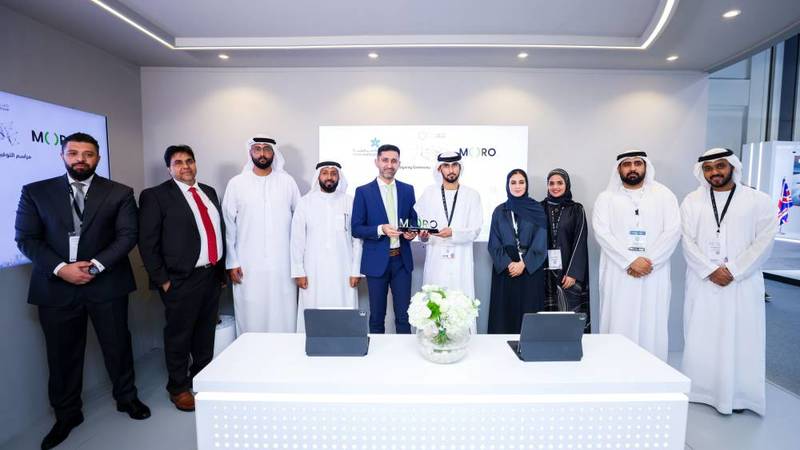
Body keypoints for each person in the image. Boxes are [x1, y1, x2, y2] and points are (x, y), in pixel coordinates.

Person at [14, 132, 150, 450]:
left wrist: (95, 267)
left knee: (118, 346)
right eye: (73, 153)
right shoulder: (35, 192)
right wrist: (62, 269)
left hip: (106, 283)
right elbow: (26, 238)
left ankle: (126, 398)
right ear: (62, 156)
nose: (80, 159)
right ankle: (67, 415)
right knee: (61, 355)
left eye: (88, 154)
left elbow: (128, 235)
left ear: (97, 158)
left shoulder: (119, 192)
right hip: (55, 287)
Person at [680, 148, 777, 415]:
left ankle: (739, 395)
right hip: (703, 281)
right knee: (702, 335)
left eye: (720, 166)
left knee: (741, 338)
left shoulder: (758, 200)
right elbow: (686, 240)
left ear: (733, 167)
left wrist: (734, 270)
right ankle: (701, 391)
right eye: (708, 168)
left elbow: (765, 240)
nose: (714, 172)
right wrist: (711, 270)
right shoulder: (692, 201)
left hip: (742, 283)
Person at [138, 145, 226, 412]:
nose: (185, 166)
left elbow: (216, 231)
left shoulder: (208, 191)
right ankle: (178, 388)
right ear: (169, 168)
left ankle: (201, 379)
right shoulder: (155, 196)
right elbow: (147, 242)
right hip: (180, 279)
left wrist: (220, 272)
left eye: (189, 161)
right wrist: (162, 280)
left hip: (211, 275)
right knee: (179, 336)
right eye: (178, 162)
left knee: (205, 333)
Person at [592, 151, 680, 361]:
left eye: (637, 163)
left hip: (653, 272)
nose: (632, 168)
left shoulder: (664, 195)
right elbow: (602, 233)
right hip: (619, 272)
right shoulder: (606, 198)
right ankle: (616, 369)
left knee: (651, 322)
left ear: (645, 166)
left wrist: (649, 262)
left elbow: (673, 231)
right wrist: (630, 261)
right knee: (619, 320)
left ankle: (652, 370)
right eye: (627, 164)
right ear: (619, 169)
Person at [222, 134, 300, 334]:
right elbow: (229, 226)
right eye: (257, 149)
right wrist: (232, 262)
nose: (262, 154)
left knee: (283, 311)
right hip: (247, 263)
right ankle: (250, 351)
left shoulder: (287, 182)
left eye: (267, 149)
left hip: (283, 263)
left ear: (274, 153)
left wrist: (298, 263)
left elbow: (300, 221)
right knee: (251, 311)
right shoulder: (236, 183)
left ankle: (283, 351)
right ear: (250, 152)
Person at [351, 144, 418, 333]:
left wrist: (411, 232)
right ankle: (375, 352)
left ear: (399, 164)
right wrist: (381, 229)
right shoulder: (363, 191)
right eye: (385, 160)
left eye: (394, 161)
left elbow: (413, 221)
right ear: (377, 162)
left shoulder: (408, 190)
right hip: (376, 262)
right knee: (377, 316)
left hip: (401, 261)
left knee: (404, 316)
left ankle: (404, 351)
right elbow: (356, 229)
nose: (389, 165)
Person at [290, 161, 363, 332]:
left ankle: (344, 343)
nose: (329, 177)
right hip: (312, 270)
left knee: (343, 309)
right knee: (314, 309)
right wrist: (299, 271)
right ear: (318, 177)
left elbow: (357, 240)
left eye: (333, 173)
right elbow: (297, 239)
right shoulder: (305, 202)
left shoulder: (349, 201)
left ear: (339, 177)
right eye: (325, 173)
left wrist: (356, 270)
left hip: (344, 269)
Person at [416, 152, 483, 303]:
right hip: (436, 259)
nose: (451, 170)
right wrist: (423, 236)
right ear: (439, 169)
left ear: (460, 167)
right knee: (434, 301)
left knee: (461, 302)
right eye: (446, 166)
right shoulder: (429, 193)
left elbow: (475, 230)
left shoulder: (472, 195)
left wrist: (453, 233)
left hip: (461, 259)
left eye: (454, 165)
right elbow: (422, 228)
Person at [487, 169, 548, 334]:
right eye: (513, 182)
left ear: (526, 184)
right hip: (506, 269)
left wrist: (524, 264)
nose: (517, 186)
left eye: (521, 182)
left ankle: (529, 347)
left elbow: (541, 240)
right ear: (507, 185)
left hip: (530, 268)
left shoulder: (537, 209)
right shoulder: (499, 211)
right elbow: (494, 243)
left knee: (529, 312)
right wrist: (508, 263)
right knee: (504, 314)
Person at [541, 168, 591, 332]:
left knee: (569, 314)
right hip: (544, 273)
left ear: (567, 185)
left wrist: (573, 273)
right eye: (551, 183)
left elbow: (580, 240)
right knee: (546, 316)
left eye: (559, 183)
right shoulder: (540, 208)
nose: (555, 187)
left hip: (568, 273)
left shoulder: (576, 209)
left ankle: (569, 344)